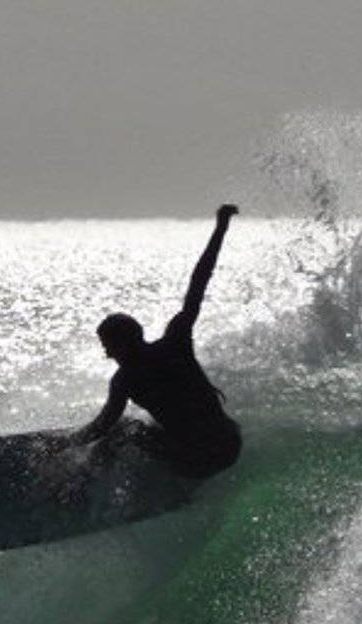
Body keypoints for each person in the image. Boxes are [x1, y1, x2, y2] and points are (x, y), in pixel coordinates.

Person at [64, 203, 242, 479]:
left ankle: (85, 488)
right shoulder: (175, 342)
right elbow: (197, 285)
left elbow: (103, 426)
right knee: (138, 430)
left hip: (197, 457)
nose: (107, 354)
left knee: (128, 430)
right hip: (229, 447)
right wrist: (221, 227)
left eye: (107, 346)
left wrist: (64, 444)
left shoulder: (126, 379)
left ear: (124, 343)